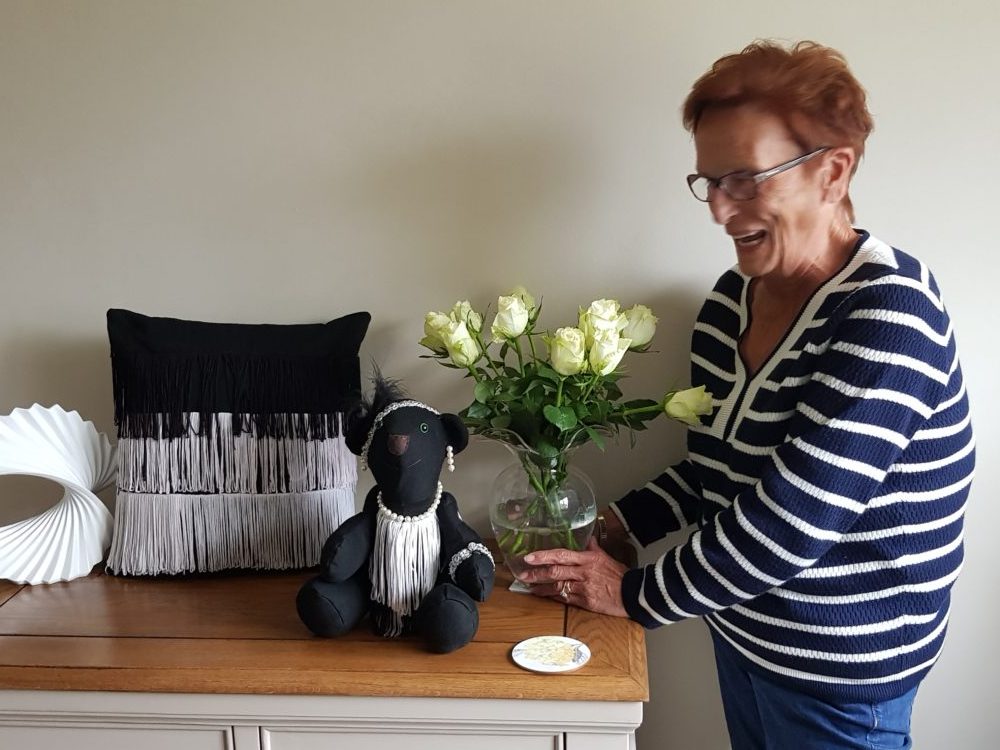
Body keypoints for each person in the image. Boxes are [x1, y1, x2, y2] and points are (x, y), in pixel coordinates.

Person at [518, 40, 974, 750]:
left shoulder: (889, 316)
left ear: (833, 170)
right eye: (708, 182)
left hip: (839, 678)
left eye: (746, 180)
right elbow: (718, 470)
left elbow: (793, 518)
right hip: (742, 632)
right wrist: (619, 522)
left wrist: (629, 594)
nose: (721, 211)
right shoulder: (732, 302)